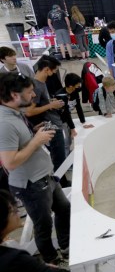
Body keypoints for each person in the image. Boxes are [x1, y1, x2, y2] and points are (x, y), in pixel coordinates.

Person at [0, 72, 70, 267]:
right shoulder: (5, 123)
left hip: (45, 177)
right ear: (15, 95)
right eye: (30, 92)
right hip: (31, 185)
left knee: (64, 209)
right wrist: (36, 141)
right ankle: (51, 260)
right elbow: (10, 163)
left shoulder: (15, 113)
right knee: (43, 226)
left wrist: (34, 133)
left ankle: (65, 246)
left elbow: (21, 144)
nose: (33, 96)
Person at [26, 55, 69, 186]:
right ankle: (61, 183)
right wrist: (50, 105)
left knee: (59, 156)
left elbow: (40, 104)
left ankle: (62, 181)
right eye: (54, 70)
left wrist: (50, 102)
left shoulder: (41, 83)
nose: (54, 73)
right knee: (59, 157)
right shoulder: (36, 86)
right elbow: (29, 111)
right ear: (46, 69)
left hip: (53, 123)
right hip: (50, 126)